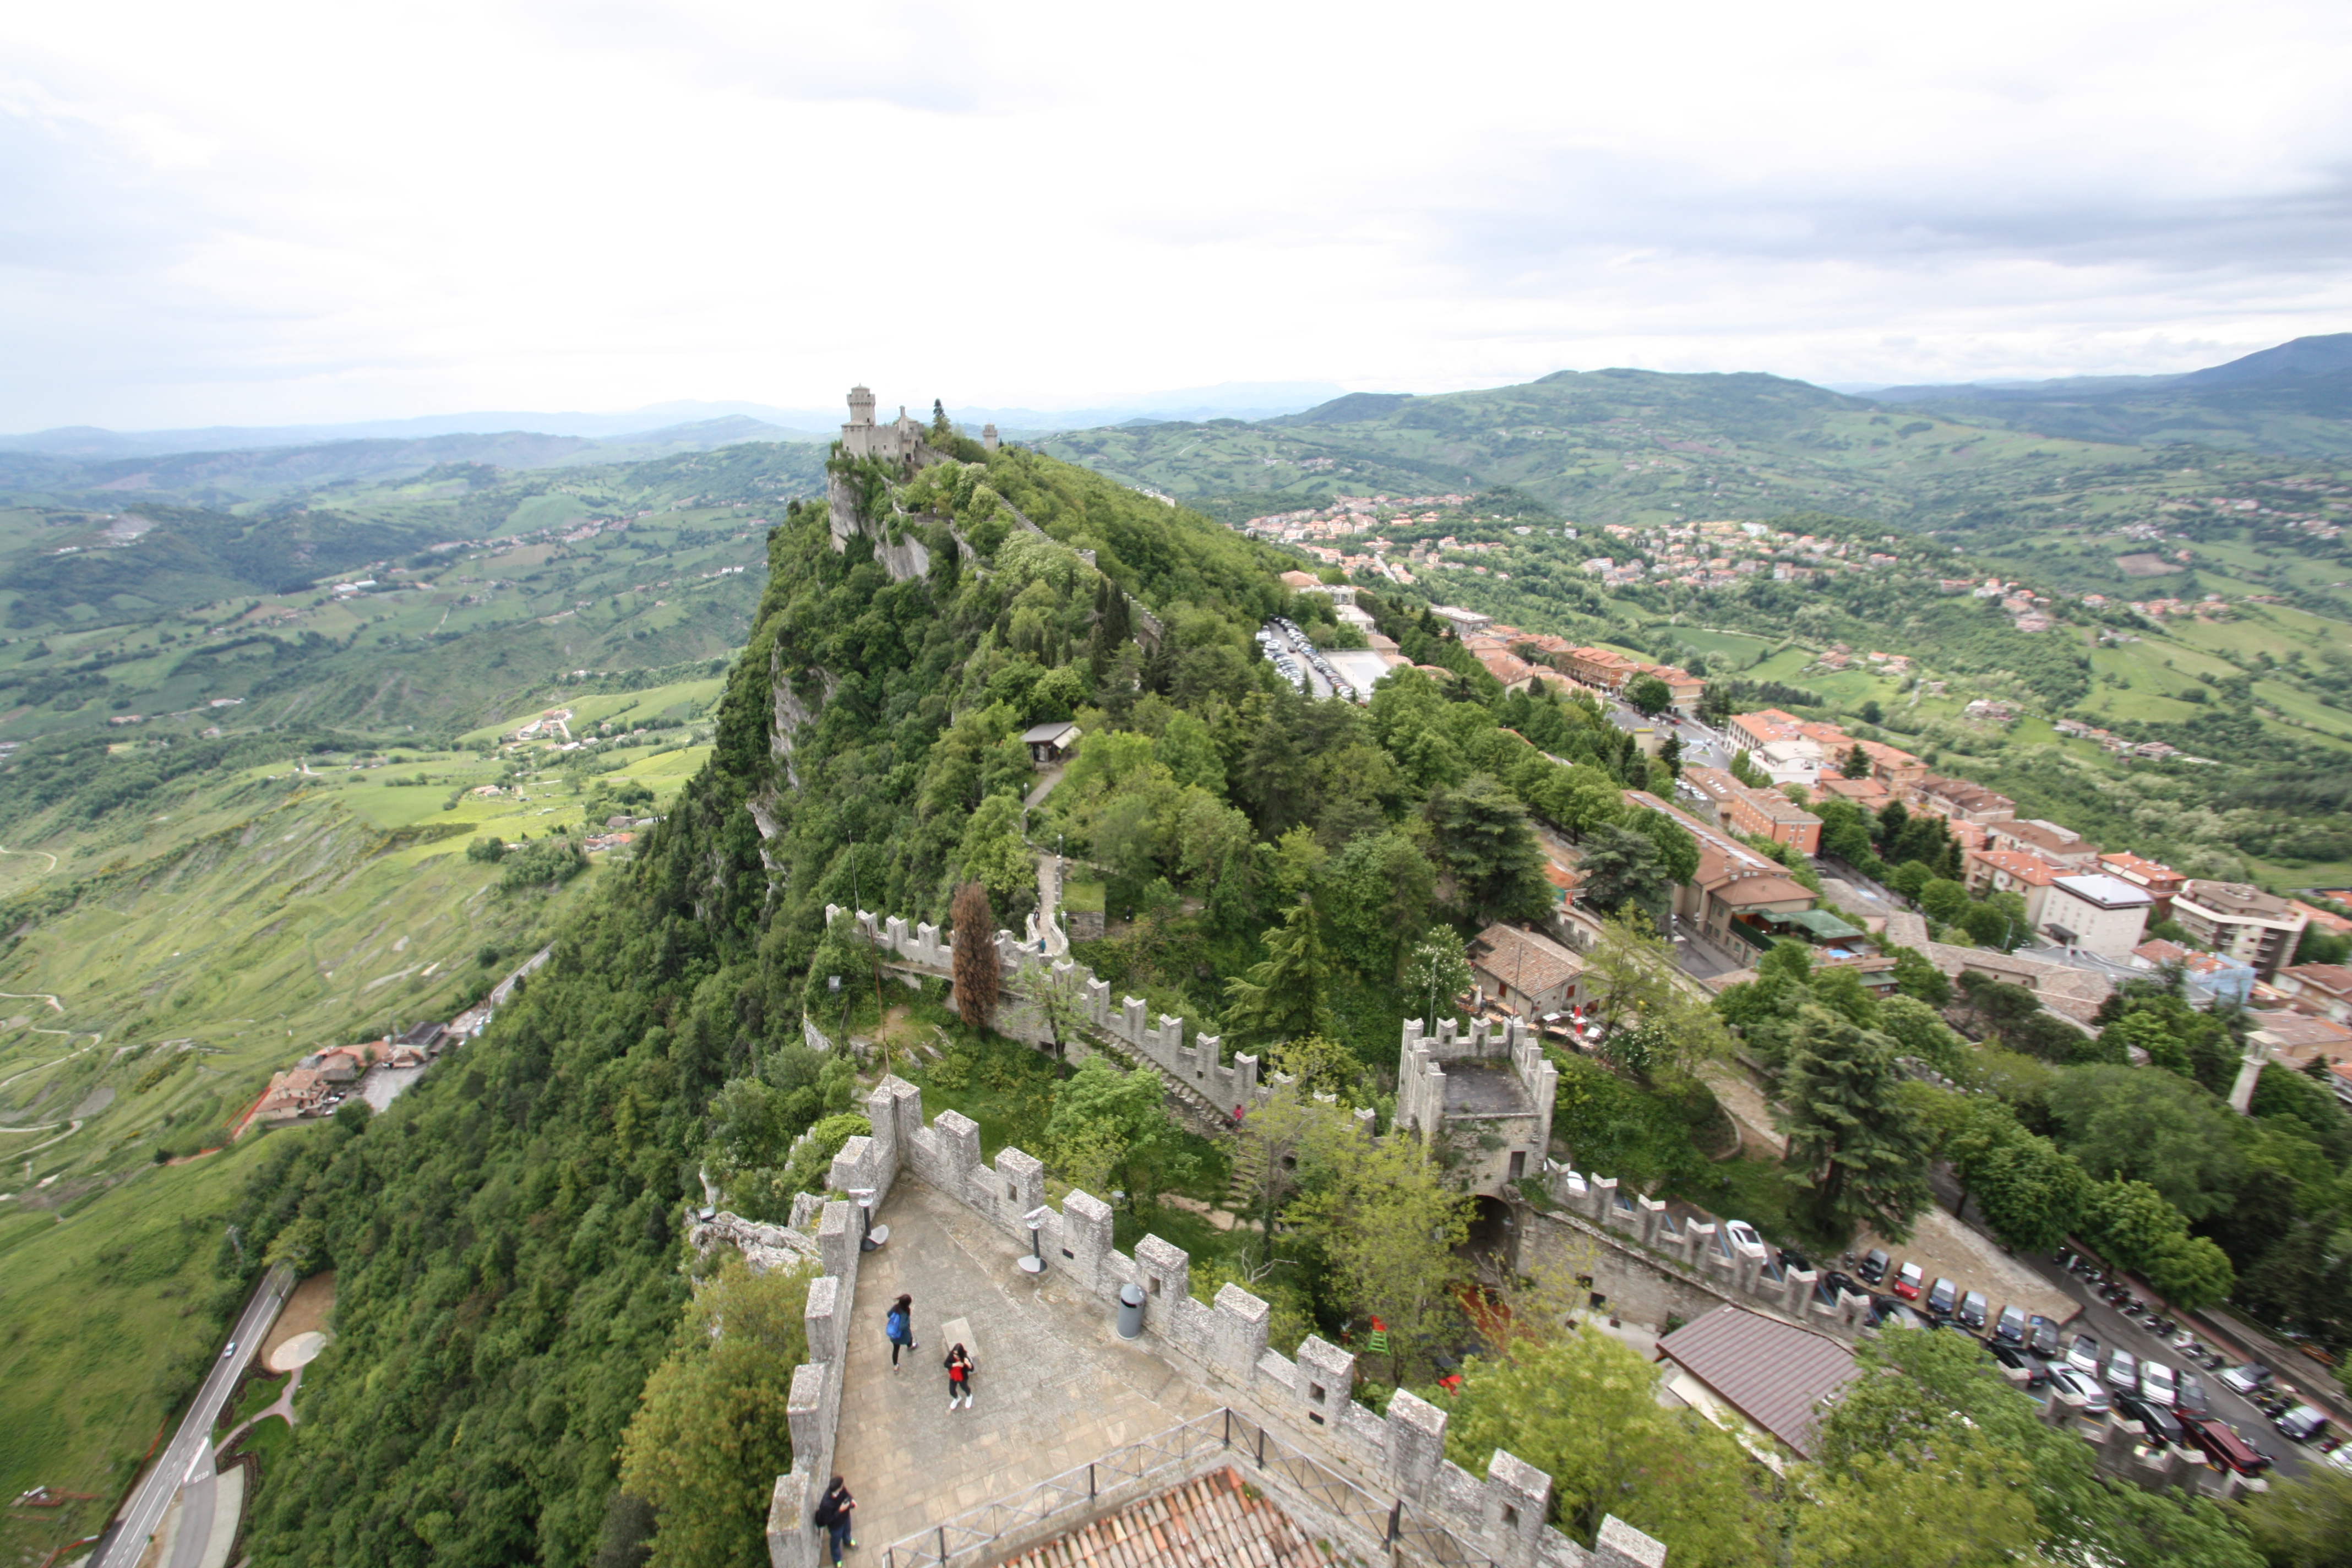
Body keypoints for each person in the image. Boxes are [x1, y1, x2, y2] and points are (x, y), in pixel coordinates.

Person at [813, 1476, 856, 1563]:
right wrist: (840, 1510)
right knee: (835, 1542)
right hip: (836, 1526)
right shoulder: (826, 1504)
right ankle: (837, 1559)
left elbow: (846, 1494)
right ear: (837, 1489)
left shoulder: (841, 1489)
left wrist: (852, 1500)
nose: (843, 1486)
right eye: (842, 1486)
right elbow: (828, 1520)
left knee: (847, 1531)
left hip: (846, 1517)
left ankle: (847, 1541)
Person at [885, 1293, 917, 1368]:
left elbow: (888, 1315)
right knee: (910, 1338)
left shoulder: (896, 1307)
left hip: (894, 1334)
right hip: (903, 1335)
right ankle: (910, 1347)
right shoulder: (905, 1312)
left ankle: (895, 1365)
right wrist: (908, 1321)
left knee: (896, 1350)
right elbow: (902, 1327)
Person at [944, 1342, 975, 1411]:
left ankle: (969, 1396)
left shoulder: (965, 1359)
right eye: (954, 1354)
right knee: (952, 1391)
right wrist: (955, 1364)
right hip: (954, 1375)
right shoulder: (952, 1356)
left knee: (964, 1387)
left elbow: (972, 1369)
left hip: (962, 1377)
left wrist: (969, 1364)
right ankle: (957, 1398)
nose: (955, 1356)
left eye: (957, 1355)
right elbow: (946, 1364)